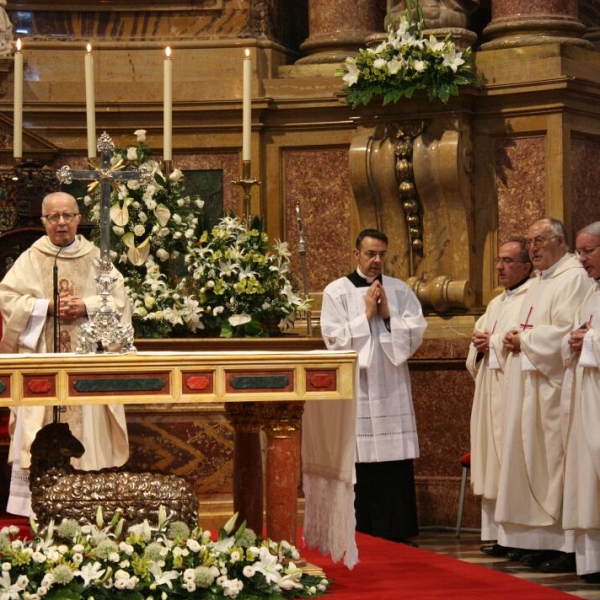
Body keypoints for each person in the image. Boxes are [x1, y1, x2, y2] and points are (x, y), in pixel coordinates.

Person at [0, 191, 131, 516]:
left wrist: (85, 306)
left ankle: (92, 506)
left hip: (87, 365)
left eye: (68, 216)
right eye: (54, 217)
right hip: (43, 365)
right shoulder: (31, 259)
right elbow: (7, 299)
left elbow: (119, 302)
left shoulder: (97, 259)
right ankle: (39, 509)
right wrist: (46, 307)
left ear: (78, 220)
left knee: (87, 428)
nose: (61, 223)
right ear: (44, 222)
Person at [495, 217, 592, 572]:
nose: (533, 247)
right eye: (531, 241)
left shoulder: (573, 278)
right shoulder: (540, 281)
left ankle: (564, 545)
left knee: (553, 463)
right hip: (529, 383)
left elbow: (568, 331)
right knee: (533, 461)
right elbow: (527, 324)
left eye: (540, 240)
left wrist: (526, 340)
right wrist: (512, 337)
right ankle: (539, 539)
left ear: (560, 242)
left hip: (554, 387)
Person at [320, 228, 427, 544]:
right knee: (361, 456)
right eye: (370, 254)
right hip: (360, 387)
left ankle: (397, 528)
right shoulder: (336, 291)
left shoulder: (399, 290)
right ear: (356, 254)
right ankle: (363, 528)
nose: (377, 260)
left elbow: (416, 332)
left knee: (394, 460)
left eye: (382, 254)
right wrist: (366, 316)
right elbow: (333, 340)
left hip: (391, 387)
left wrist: (388, 316)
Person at [468, 238, 533, 556]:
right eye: (498, 260)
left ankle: (516, 537)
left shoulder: (530, 299)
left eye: (507, 261)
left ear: (525, 266)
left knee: (510, 461)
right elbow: (479, 343)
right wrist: (480, 345)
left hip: (512, 394)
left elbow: (518, 343)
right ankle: (495, 534)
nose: (499, 267)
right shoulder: (495, 303)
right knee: (492, 462)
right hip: (489, 389)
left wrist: (492, 343)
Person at [561, 222, 600, 583]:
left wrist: (590, 341)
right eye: (579, 251)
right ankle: (591, 562)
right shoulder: (590, 293)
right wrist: (576, 340)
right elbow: (574, 335)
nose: (581, 258)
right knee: (587, 479)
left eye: (588, 250)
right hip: (586, 396)